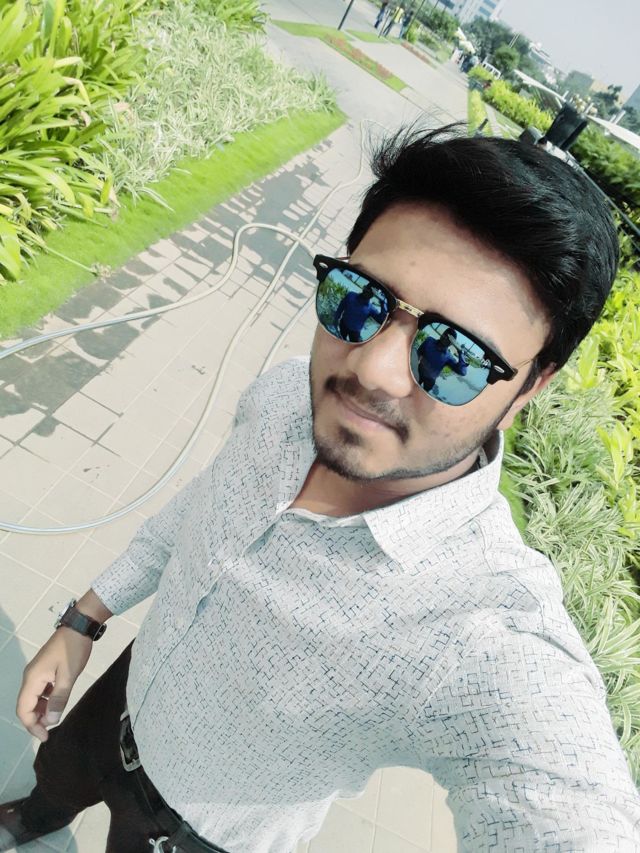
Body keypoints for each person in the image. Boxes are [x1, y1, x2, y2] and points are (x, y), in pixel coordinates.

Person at [3, 125, 640, 853]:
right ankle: (38, 813)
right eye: (360, 298)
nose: (371, 370)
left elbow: (563, 802)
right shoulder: (288, 398)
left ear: (530, 387)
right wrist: (85, 619)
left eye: (454, 356)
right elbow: (203, 506)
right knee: (53, 781)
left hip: (195, 832)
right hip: (118, 700)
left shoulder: (481, 626)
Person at [416, 327, 468, 392]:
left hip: (430, 381)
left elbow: (463, 372)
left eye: (449, 338)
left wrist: (460, 352)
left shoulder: (448, 357)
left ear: (451, 343)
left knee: (422, 396)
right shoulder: (429, 341)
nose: (445, 337)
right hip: (418, 372)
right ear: (442, 333)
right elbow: (417, 354)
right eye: (445, 334)